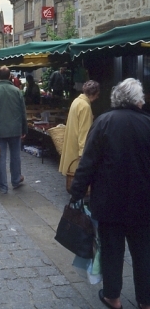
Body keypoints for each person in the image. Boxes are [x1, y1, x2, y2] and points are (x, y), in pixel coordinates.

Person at [69, 78, 150, 309]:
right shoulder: (148, 124)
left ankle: (112, 297)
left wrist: (76, 192)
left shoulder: (104, 122)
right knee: (144, 253)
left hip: (109, 201)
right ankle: (145, 301)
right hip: (143, 203)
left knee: (112, 251)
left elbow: (88, 163)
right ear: (137, 101)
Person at [0, 66, 28, 194]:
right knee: (15, 156)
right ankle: (15, 180)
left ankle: (2, 186)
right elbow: (23, 112)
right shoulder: (17, 91)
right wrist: (24, 128)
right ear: (10, 76)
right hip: (15, 129)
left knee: (0, 158)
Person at [59, 80, 100, 176]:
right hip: (77, 147)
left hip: (71, 142)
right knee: (77, 174)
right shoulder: (85, 107)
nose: (98, 97)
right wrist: (83, 152)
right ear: (93, 94)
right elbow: (84, 132)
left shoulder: (76, 101)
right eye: (97, 94)